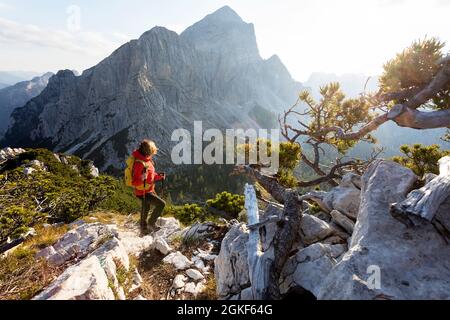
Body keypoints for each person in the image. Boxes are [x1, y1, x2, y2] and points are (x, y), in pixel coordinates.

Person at [131, 140, 166, 236]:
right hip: (142, 191)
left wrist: (159, 176)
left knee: (146, 208)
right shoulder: (139, 163)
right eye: (152, 150)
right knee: (161, 204)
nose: (153, 153)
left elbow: (151, 175)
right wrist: (142, 178)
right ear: (148, 150)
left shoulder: (147, 160)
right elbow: (133, 182)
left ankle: (143, 229)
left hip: (148, 189)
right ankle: (151, 223)